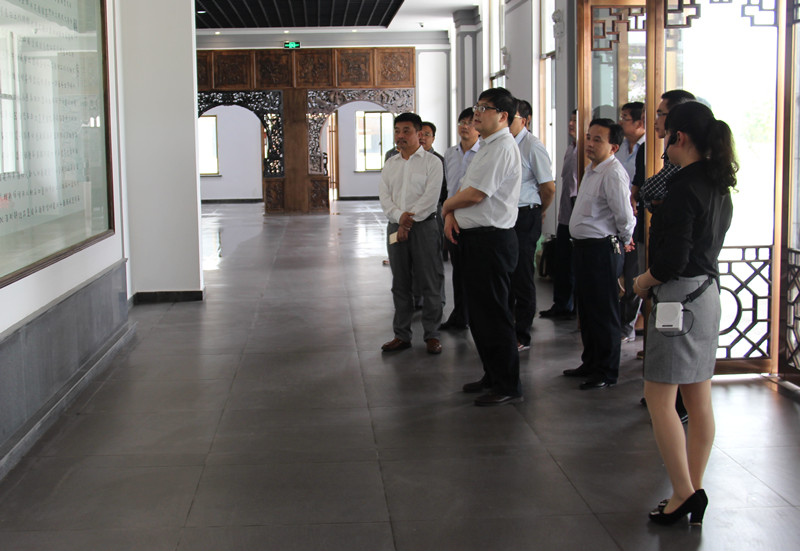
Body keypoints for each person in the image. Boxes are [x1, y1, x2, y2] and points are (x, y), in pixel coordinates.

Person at [633, 101, 736, 525]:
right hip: (707, 295)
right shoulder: (717, 184)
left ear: (681, 137)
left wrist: (642, 282)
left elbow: (671, 261)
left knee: (660, 398)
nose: (663, 144)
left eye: (666, 135)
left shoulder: (683, 188)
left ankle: (682, 492)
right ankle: (692, 488)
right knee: (698, 397)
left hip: (678, 299)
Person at [441, 88, 522, 406]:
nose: (476, 113)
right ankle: (492, 373)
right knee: (479, 314)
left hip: (492, 240)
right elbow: (465, 187)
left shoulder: (502, 147)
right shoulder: (487, 146)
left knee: (495, 314)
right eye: (477, 106)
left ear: (503, 116)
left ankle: (508, 384)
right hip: (474, 238)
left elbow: (476, 194)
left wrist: (446, 207)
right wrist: (451, 214)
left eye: (484, 108)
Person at [563, 118, 635, 389]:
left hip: (602, 250)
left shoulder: (613, 173)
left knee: (604, 312)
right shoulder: (591, 170)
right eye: (589, 137)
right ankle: (590, 362)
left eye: (597, 140)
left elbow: (624, 216)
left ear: (613, 147)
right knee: (588, 310)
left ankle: (606, 370)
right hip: (584, 249)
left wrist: (625, 241)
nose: (590, 144)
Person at [379, 112, 444, 355]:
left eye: (406, 131)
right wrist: (399, 218)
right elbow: (385, 197)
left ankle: (432, 335)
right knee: (400, 283)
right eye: (397, 131)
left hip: (424, 227)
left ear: (419, 134)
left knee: (430, 281)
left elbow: (430, 198)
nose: (400, 136)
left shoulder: (432, 163)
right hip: (395, 227)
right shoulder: (391, 164)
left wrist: (407, 222)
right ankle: (402, 335)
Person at [509, 99, 555, 351]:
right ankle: (507, 329)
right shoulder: (502, 144)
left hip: (526, 215)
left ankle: (522, 333)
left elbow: (548, 188)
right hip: (505, 216)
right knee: (506, 273)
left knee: (522, 274)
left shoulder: (532, 146)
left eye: (512, 117)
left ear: (524, 120)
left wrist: (539, 211)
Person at [441, 108, 481, 331]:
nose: (465, 126)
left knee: (475, 272)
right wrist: (448, 213)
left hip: (474, 218)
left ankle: (477, 317)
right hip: (452, 218)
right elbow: (450, 187)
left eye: (470, 122)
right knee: (458, 270)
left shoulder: (484, 153)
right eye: (461, 122)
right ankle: (460, 315)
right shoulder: (450, 154)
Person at [540, 110, 578, 320]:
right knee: (562, 263)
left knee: (575, 264)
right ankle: (562, 304)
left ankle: (573, 307)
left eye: (575, 120)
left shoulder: (584, 152)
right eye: (571, 120)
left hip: (578, 217)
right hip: (565, 216)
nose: (571, 124)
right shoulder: (570, 148)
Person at [616, 102, 646, 343]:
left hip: (639, 219)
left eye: (625, 118)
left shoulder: (650, 148)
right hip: (619, 216)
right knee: (622, 272)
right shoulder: (621, 147)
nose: (621, 122)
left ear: (639, 123)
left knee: (634, 272)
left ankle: (628, 326)